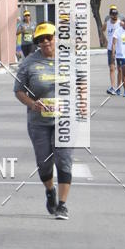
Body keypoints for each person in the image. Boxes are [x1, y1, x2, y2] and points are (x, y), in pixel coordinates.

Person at [14, 22, 75, 220]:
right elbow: (18, 90)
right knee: (44, 163)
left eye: (49, 37)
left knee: (64, 159)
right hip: (39, 122)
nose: (46, 42)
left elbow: (81, 84)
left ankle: (63, 205)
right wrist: (32, 104)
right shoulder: (29, 63)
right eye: (41, 39)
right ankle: (50, 190)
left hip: (64, 120)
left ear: (56, 38)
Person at [104, 5, 120, 94]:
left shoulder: (120, 23)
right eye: (113, 14)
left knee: (120, 69)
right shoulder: (107, 23)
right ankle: (113, 87)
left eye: (116, 14)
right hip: (110, 49)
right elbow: (102, 30)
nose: (114, 16)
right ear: (110, 15)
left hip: (119, 49)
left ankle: (119, 86)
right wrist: (104, 39)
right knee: (112, 68)